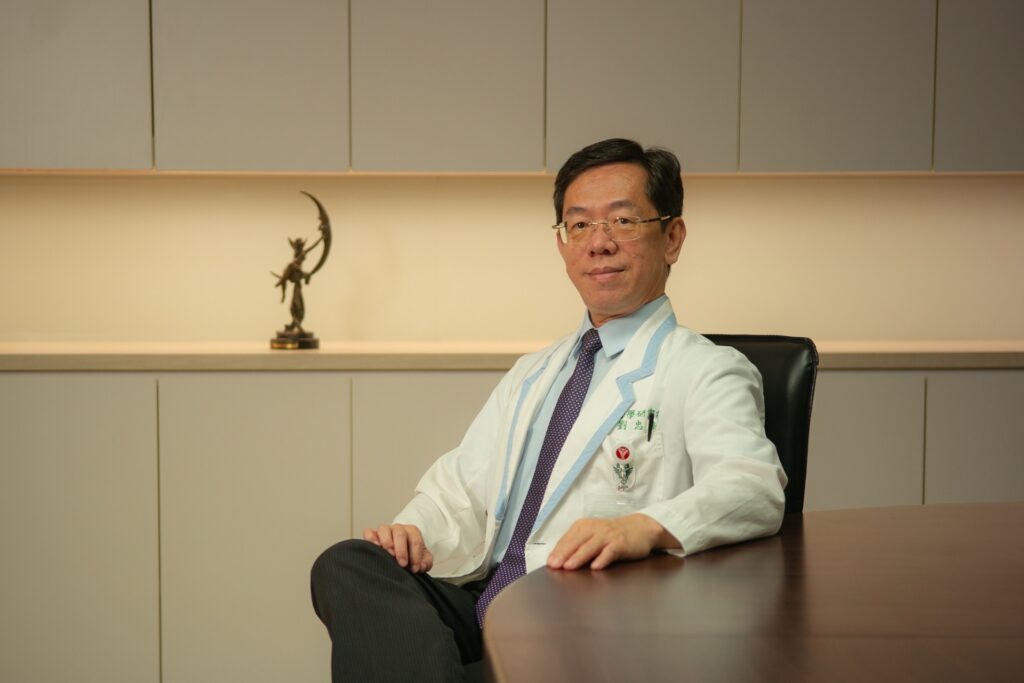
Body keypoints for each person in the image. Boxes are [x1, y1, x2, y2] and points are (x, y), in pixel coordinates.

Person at [310, 138, 787, 681]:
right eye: (579, 225)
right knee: (346, 564)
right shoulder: (536, 371)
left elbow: (753, 486)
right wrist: (411, 533)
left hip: (585, 618)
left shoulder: (705, 368)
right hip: (487, 604)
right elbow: (462, 489)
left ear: (672, 238)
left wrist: (647, 525)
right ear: (561, 244)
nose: (599, 243)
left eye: (624, 221)